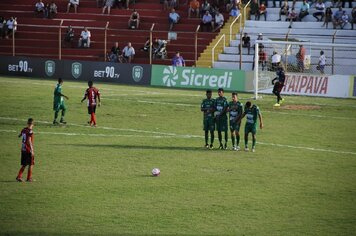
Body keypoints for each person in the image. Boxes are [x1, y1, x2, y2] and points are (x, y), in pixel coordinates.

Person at [16, 118, 35, 182]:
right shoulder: (30, 131)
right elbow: (29, 141)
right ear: (33, 124)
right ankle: (29, 178)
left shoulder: (24, 129)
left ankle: (19, 176)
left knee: (24, 164)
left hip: (23, 149)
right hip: (28, 149)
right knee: (31, 164)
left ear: (27, 123)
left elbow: (19, 135)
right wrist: (32, 150)